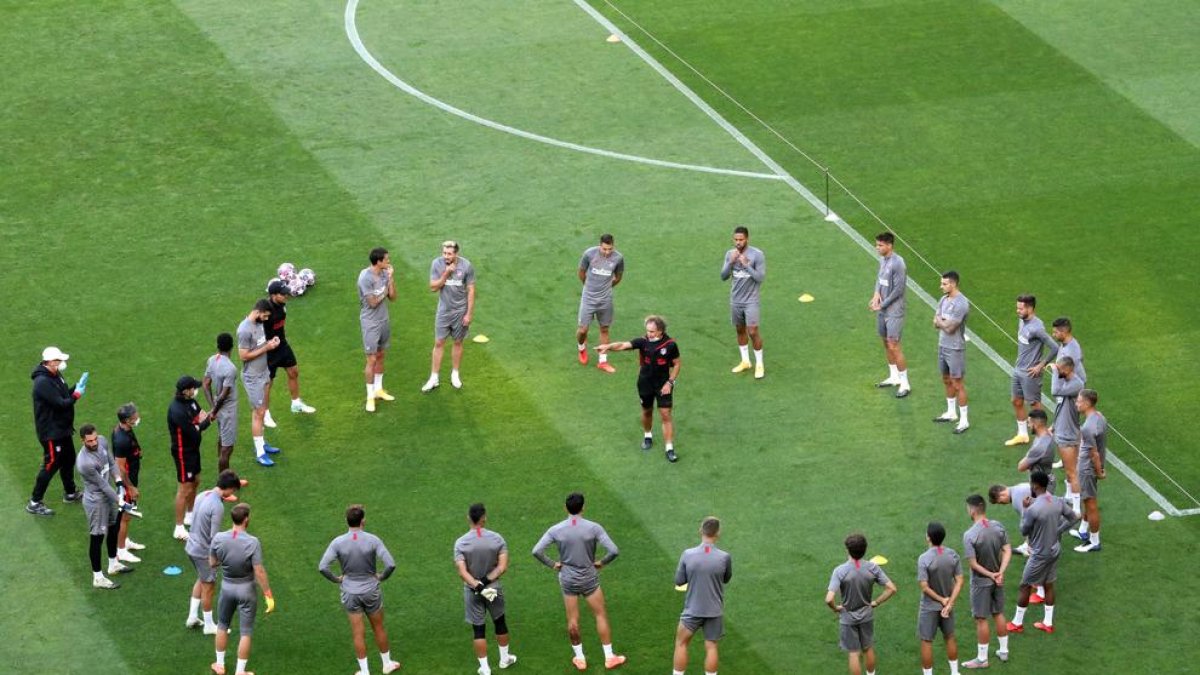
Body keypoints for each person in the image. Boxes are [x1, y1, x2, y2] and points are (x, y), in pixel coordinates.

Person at [532, 492, 626, 671]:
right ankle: (609, 657)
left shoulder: (556, 529)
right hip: (589, 577)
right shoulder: (594, 528)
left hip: (568, 579)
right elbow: (613, 550)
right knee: (600, 615)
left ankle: (580, 658)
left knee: (573, 620)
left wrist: (553, 564)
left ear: (565, 508)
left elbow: (536, 551)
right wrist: (601, 563)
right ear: (583, 507)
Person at [319, 504, 402, 675]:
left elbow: (323, 567)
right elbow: (391, 564)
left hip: (350, 592)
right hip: (371, 590)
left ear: (346, 521)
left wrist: (337, 579)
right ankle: (387, 664)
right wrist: (381, 577)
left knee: (358, 632)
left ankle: (364, 671)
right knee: (378, 627)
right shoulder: (373, 540)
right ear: (363, 520)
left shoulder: (338, 542)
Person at [596, 315, 681, 463]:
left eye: (652, 331)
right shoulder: (643, 342)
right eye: (648, 331)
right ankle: (648, 435)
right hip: (645, 383)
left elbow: (677, 364)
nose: (649, 334)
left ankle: (669, 448)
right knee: (647, 411)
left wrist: (670, 382)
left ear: (660, 331)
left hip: (663, 385)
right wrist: (608, 347)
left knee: (665, 414)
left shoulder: (670, 345)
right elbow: (623, 345)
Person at [1007, 471, 1079, 635]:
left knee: (1025, 586)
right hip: (1054, 549)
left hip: (1040, 553)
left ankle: (1017, 623)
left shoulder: (1033, 508)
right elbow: (1074, 518)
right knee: (1048, 583)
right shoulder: (1057, 501)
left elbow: (1024, 530)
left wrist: (1025, 510)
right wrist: (1058, 531)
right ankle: (1048, 622)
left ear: (1035, 485)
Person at [210, 503, 275, 675]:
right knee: (246, 632)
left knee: (222, 625)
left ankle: (220, 665)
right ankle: (240, 672)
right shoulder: (252, 542)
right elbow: (259, 570)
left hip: (227, 587)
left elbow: (212, 562)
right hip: (246, 589)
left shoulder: (218, 538)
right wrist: (268, 593)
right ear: (246, 519)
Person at [453, 503, 517, 675]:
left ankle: (485, 668)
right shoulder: (497, 539)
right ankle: (504, 659)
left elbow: (462, 571)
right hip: (493, 589)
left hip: (472, 591)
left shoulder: (461, 542)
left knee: (478, 629)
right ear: (484, 518)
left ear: (469, 518)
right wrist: (485, 581)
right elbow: (502, 567)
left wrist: (476, 584)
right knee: (500, 622)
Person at [27, 346, 88, 516]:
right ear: (51, 362)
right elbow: (61, 404)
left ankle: (70, 493)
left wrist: (76, 387)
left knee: (68, 459)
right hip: (51, 432)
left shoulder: (54, 375)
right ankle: (34, 502)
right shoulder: (42, 383)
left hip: (62, 429)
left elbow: (63, 396)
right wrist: (76, 395)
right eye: (59, 360)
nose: (62, 363)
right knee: (51, 464)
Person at [825, 533, 897, 675]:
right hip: (867, 615)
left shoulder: (840, 571)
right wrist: (876, 602)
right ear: (864, 549)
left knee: (853, 653)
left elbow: (828, 599)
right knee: (868, 648)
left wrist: (836, 608)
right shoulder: (873, 568)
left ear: (848, 551)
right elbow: (892, 589)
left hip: (848, 618)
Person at [77, 424, 139, 589]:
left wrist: (119, 481)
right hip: (96, 501)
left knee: (113, 527)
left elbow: (111, 463)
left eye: (95, 438)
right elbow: (103, 485)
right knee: (97, 537)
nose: (94, 442)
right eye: (89, 441)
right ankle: (97, 577)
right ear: (83, 441)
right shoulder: (84, 463)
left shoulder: (102, 441)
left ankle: (113, 564)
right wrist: (121, 502)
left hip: (109, 496)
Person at [671, 517, 733, 675]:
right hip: (714, 611)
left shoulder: (687, 554)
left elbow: (679, 581)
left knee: (681, 643)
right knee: (711, 647)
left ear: (701, 531)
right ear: (717, 533)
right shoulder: (724, 557)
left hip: (692, 610)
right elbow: (726, 578)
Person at [186, 470, 242, 634]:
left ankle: (192, 617)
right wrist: (216, 557)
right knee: (209, 586)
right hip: (203, 551)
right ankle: (209, 625)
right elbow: (214, 538)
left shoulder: (203, 495)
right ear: (229, 488)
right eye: (233, 490)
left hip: (191, 546)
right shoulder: (217, 506)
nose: (233, 494)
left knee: (202, 579)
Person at [961, 495, 1011, 669]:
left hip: (981, 582)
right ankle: (1004, 651)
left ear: (973, 510)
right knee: (998, 613)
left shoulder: (969, 535)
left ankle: (982, 659)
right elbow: (1007, 550)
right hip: (998, 579)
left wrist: (991, 575)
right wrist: (1000, 573)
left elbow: (973, 564)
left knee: (981, 619)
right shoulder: (998, 526)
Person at [423, 240, 477, 392]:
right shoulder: (437, 264)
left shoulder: (466, 266)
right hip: (444, 311)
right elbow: (433, 287)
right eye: (444, 253)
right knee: (439, 342)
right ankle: (434, 377)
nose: (446, 256)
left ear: (456, 254)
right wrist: (446, 273)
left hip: (460, 312)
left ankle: (455, 374)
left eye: (449, 254)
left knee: (458, 342)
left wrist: (469, 314)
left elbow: (471, 290)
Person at [262, 279, 316, 428]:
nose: (286, 296)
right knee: (268, 383)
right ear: (273, 295)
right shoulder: (265, 311)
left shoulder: (282, 306)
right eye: (283, 294)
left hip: (282, 345)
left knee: (293, 372)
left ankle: (296, 403)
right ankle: (265, 414)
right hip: (269, 350)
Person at [1006, 295, 1057, 446]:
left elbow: (1054, 347)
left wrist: (1041, 365)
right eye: (1017, 307)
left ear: (1030, 308)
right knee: (1016, 401)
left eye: (1021, 308)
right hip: (1018, 369)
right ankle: (1022, 435)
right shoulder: (1022, 321)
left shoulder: (1037, 328)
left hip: (1030, 374)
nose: (1018, 311)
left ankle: (1042, 439)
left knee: (1034, 405)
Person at [238, 299, 282, 467]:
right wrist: (267, 348)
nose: (266, 319)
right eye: (265, 316)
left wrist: (271, 343)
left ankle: (262, 443)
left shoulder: (258, 324)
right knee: (258, 413)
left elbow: (260, 345)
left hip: (263, 373)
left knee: (262, 412)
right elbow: (243, 356)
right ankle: (260, 452)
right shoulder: (244, 330)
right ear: (258, 311)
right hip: (253, 378)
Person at [719, 226, 766, 379]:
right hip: (735, 300)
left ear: (747, 239)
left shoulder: (757, 255)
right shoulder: (729, 254)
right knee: (740, 330)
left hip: (751, 301)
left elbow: (760, 278)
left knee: (752, 331)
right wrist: (730, 263)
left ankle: (759, 364)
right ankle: (745, 361)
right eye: (736, 240)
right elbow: (723, 276)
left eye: (741, 239)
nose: (738, 242)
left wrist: (746, 265)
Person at [169, 375, 211, 541]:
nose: (196, 390)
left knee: (196, 481)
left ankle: (190, 514)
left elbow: (202, 418)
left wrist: (207, 419)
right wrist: (205, 422)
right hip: (182, 452)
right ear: (186, 391)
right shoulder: (176, 410)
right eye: (193, 387)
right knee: (184, 488)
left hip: (193, 449)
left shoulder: (191, 402)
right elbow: (194, 430)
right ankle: (179, 528)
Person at [917, 522, 962, 675]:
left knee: (926, 640)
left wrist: (942, 600)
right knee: (949, 637)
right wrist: (950, 602)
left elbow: (924, 586)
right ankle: (955, 672)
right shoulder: (953, 555)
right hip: (947, 607)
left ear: (928, 538)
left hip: (929, 607)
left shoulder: (924, 558)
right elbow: (959, 580)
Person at [576, 234, 624, 373]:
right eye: (604, 249)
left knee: (604, 328)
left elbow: (618, 276)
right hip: (588, 298)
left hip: (605, 299)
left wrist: (607, 288)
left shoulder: (618, 258)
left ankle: (602, 361)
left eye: (610, 249)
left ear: (613, 246)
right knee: (583, 330)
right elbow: (581, 272)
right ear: (600, 245)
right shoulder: (589, 254)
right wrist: (588, 287)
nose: (607, 252)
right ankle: (581, 347)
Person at [869, 232, 909, 397]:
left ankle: (905, 383)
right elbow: (880, 279)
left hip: (894, 311)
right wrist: (876, 295)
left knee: (894, 345)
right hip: (883, 308)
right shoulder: (883, 260)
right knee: (885, 342)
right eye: (877, 245)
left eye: (880, 245)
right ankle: (893, 377)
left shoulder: (898, 263)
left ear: (889, 245)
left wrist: (882, 305)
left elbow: (898, 290)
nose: (877, 248)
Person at [358, 247, 398, 412]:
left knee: (381, 356)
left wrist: (390, 279)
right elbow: (373, 303)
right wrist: (384, 290)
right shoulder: (365, 278)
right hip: (370, 323)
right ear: (379, 261)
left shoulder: (384, 273)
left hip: (383, 320)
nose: (388, 262)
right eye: (386, 259)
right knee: (371, 360)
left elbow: (393, 297)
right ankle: (369, 396)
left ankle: (379, 389)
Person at [933, 271, 970, 433]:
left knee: (957, 383)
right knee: (946, 379)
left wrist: (941, 322)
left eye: (944, 284)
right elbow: (936, 322)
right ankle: (951, 412)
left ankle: (964, 420)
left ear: (953, 284)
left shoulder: (961, 303)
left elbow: (950, 328)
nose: (941, 286)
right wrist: (942, 322)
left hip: (955, 348)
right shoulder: (943, 299)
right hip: (942, 345)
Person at [1071, 389, 1107, 553]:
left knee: (1090, 504)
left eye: (1078, 401)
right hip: (1093, 466)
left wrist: (1099, 472)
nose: (1076, 403)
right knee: (1088, 500)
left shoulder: (1087, 427)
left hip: (1087, 468)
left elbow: (1094, 453)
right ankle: (1083, 530)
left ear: (1086, 403)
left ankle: (1094, 541)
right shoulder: (1100, 417)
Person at [1048, 356, 1084, 514]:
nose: (1058, 371)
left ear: (1068, 369)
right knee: (1069, 469)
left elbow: (1054, 392)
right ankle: (1069, 496)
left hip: (1068, 434)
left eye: (1061, 369)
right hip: (1063, 430)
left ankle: (1076, 508)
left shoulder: (1076, 384)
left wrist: (1055, 373)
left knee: (1072, 471)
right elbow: (1062, 406)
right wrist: (1055, 425)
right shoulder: (1067, 382)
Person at [111, 403, 146, 562]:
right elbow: (120, 467)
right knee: (125, 515)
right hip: (126, 481)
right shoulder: (121, 440)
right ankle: (121, 550)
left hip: (130, 477)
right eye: (134, 417)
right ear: (126, 420)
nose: (137, 418)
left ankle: (124, 541)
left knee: (127, 515)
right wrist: (130, 487)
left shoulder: (123, 429)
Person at [203, 333, 240, 473]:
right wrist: (214, 410)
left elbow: (205, 384)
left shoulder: (212, 360)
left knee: (222, 440)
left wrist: (213, 407)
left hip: (218, 409)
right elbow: (224, 395)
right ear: (232, 347)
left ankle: (225, 477)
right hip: (228, 411)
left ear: (217, 346)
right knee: (227, 448)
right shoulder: (230, 368)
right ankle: (224, 485)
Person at [1017, 409, 1057, 495]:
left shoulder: (1040, 446)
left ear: (1036, 424)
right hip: (1045, 480)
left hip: (1041, 487)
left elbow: (1021, 467)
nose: (1028, 425)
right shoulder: (1045, 435)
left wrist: (1028, 456)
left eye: (1029, 422)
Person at [1050, 317, 1087, 384]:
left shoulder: (1071, 351)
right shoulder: (1066, 343)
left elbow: (1065, 373)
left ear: (1063, 332)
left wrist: (1054, 369)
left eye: (1055, 332)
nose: (1053, 335)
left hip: (1074, 386)